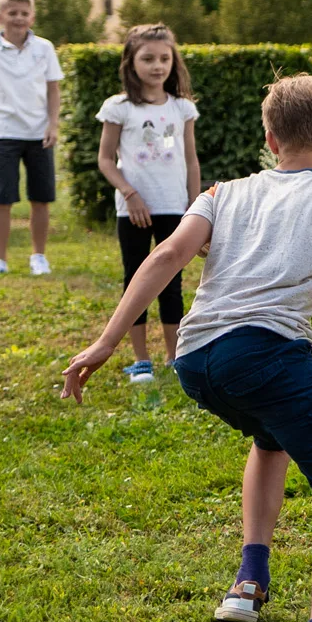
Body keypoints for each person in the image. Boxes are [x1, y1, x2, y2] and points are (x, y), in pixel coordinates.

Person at [60, 75, 312, 622]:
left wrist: (107, 342)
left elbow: (163, 258)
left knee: (270, 438)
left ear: (269, 139)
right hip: (266, 354)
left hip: (196, 358)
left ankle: (249, 583)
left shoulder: (224, 191)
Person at [95, 25, 200, 384]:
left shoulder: (183, 108)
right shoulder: (117, 108)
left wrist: (195, 207)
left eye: (164, 59)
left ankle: (175, 357)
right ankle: (141, 360)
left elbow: (191, 160)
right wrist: (130, 193)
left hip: (174, 207)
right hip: (134, 209)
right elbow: (106, 160)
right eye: (148, 58)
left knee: (172, 282)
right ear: (131, 61)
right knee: (135, 280)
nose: (157, 66)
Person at [0, 0, 63, 282]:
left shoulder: (45, 48)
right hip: (5, 133)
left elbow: (53, 89)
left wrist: (53, 125)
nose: (18, 18)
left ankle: (39, 256)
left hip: (39, 134)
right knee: (2, 199)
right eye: (12, 13)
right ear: (0, 17)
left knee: (40, 198)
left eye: (24, 13)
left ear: (32, 17)